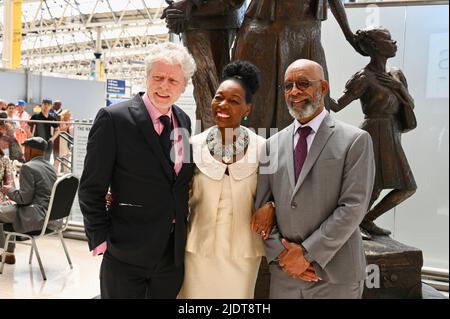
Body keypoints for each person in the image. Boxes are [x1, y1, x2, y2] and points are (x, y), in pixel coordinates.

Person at [78, 42, 197, 299]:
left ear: (184, 86)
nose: (164, 86)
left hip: (171, 254)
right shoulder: (114, 119)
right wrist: (101, 239)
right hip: (125, 250)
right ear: (146, 77)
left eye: (173, 80)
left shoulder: (184, 121)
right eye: (158, 77)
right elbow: (91, 187)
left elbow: (178, 182)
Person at [253, 59, 375, 299]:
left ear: (324, 88)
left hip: (335, 277)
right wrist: (283, 256)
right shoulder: (270, 146)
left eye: (303, 83)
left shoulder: (356, 140)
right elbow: (262, 209)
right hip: (285, 274)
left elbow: (353, 207)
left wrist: (307, 254)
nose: (294, 91)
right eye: (288, 86)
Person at [178, 61, 267, 299]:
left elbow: (275, 196)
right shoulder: (192, 145)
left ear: (247, 109)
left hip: (243, 254)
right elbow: (174, 194)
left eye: (234, 101)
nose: (223, 105)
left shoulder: (263, 148)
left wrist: (272, 207)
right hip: (196, 251)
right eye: (219, 97)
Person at [330, 27, 417, 238]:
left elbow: (410, 104)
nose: (394, 42)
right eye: (388, 39)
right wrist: (318, 89)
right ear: (376, 47)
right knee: (371, 185)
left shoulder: (395, 74)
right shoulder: (364, 77)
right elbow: (337, 105)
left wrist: (399, 88)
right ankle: (354, 224)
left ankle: (365, 220)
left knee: (405, 187)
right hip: (373, 133)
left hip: (392, 132)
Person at [232, 0, 359, 131]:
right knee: (259, 112)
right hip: (263, 33)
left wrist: (350, 36)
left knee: (309, 114)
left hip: (307, 32)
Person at [162, 0, 246, 130]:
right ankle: (212, 139)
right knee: (206, 87)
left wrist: (189, 5)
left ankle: (214, 141)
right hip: (195, 20)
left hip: (216, 16)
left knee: (211, 86)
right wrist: (177, 10)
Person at [0, 137, 57, 265]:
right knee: (6, 208)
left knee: (2, 211)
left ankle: (6, 253)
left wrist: (8, 190)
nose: (23, 152)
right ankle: (8, 253)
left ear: (30, 150)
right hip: (51, 216)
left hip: (35, 214)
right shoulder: (51, 167)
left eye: (25, 149)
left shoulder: (28, 167)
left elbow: (24, 199)